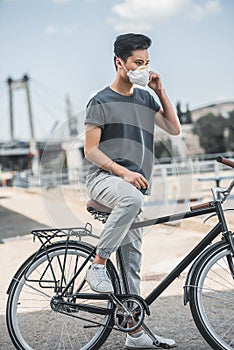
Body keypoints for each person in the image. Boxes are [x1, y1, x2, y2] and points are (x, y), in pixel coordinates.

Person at [84, 33, 181, 349]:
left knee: (131, 265)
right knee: (131, 196)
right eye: (138, 62)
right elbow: (91, 151)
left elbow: (173, 128)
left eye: (147, 62)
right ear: (119, 62)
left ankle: (134, 334)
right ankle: (97, 265)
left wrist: (161, 91)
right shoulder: (100, 101)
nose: (144, 68)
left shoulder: (145, 98)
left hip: (132, 192)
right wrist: (123, 172)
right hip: (105, 181)